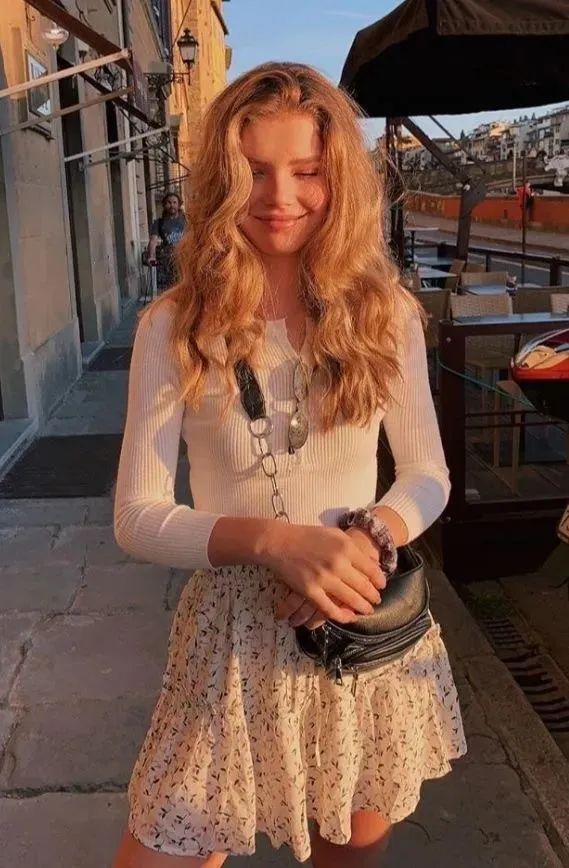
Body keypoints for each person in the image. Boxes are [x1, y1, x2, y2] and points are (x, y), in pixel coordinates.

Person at [112, 63, 466, 868]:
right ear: (221, 180)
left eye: (306, 171)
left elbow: (426, 474)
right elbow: (136, 516)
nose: (280, 196)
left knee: (348, 851)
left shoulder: (383, 312)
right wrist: (275, 542)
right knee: (165, 843)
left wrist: (368, 535)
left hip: (357, 618)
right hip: (230, 637)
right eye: (255, 171)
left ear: (338, 178)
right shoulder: (175, 325)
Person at [147, 191, 187, 291]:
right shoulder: (159, 223)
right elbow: (153, 241)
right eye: (169, 202)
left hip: (186, 260)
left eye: (174, 202)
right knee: (170, 290)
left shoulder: (187, 220)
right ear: (164, 205)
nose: (172, 205)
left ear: (179, 205)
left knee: (186, 289)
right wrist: (152, 256)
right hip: (168, 262)